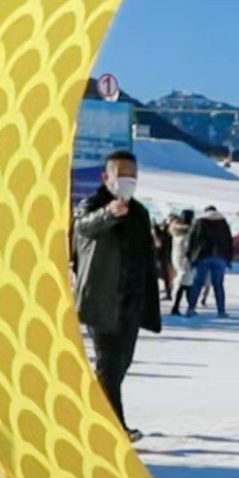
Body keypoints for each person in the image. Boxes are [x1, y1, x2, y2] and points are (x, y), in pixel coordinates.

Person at [73, 150, 161, 437]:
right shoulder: (92, 204)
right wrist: (109, 213)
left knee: (120, 364)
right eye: (121, 174)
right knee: (109, 363)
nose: (127, 180)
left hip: (131, 301)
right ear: (105, 177)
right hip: (102, 297)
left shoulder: (140, 213)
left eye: (132, 175)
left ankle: (93, 415)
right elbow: (84, 227)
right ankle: (114, 429)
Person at [186, 204, 235, 317]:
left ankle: (191, 308)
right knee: (218, 285)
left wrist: (190, 257)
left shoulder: (199, 222)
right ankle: (221, 311)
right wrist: (228, 258)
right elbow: (228, 241)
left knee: (197, 283)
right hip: (220, 257)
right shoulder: (223, 222)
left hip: (202, 256)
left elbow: (192, 239)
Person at [168, 210, 195, 315]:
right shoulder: (187, 232)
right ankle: (176, 307)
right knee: (184, 283)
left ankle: (189, 306)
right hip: (185, 259)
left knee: (187, 283)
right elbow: (188, 247)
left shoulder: (176, 230)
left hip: (176, 258)